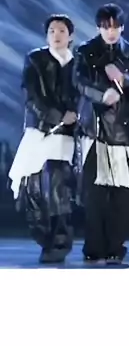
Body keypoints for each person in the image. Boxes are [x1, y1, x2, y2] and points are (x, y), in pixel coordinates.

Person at [74, 3, 129, 264]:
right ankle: (94, 247)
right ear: (98, 27)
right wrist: (102, 94)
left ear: (122, 27)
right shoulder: (85, 51)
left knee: (124, 197)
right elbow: (79, 82)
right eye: (106, 27)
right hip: (94, 132)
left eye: (115, 27)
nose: (111, 32)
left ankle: (115, 247)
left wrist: (125, 80)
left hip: (124, 132)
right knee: (94, 196)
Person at [9, 14, 79, 264]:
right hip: (40, 131)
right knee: (33, 189)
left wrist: (74, 116)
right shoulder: (36, 59)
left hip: (67, 136)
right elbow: (32, 96)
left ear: (70, 36)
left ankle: (59, 242)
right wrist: (58, 116)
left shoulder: (78, 63)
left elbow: (82, 93)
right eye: (52, 31)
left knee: (59, 188)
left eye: (61, 31)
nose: (56, 35)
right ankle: (46, 239)